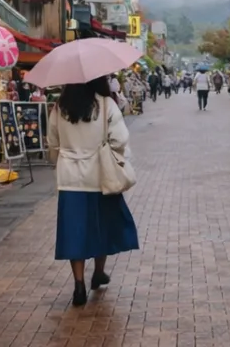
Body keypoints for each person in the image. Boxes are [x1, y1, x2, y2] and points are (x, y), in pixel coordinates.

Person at [50, 76, 139, 307]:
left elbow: (52, 141)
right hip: (100, 176)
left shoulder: (60, 107)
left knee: (74, 229)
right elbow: (120, 139)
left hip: (69, 178)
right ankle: (98, 272)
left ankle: (78, 284)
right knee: (102, 225)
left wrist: (59, 160)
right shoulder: (106, 104)